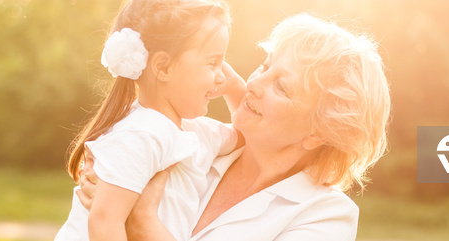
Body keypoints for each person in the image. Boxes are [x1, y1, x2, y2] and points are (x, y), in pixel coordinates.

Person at [79, 13, 391, 240]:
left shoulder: (325, 217)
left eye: (281, 87)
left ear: (319, 132)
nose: (255, 82)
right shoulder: (190, 138)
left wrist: (142, 222)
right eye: (265, 66)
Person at [54, 0, 245, 240]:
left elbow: (248, 132)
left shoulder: (199, 134)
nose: (221, 77)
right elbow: (104, 222)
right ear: (163, 67)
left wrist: (236, 88)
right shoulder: (140, 134)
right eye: (213, 63)